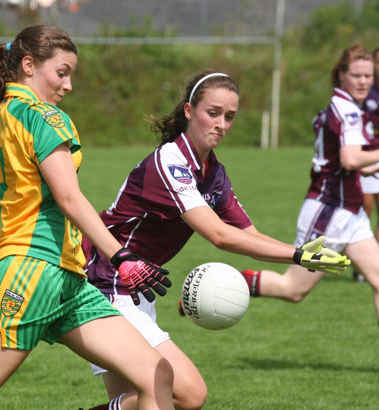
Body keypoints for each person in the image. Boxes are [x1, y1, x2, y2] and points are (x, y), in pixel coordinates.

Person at [0, 24, 175, 410]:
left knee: (158, 375)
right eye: (62, 72)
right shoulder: (46, 118)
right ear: (29, 65)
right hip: (33, 270)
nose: (69, 85)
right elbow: (69, 199)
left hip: (68, 281)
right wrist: (122, 258)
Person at [81, 70, 351, 409]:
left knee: (133, 401)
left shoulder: (213, 173)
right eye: (213, 112)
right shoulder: (171, 162)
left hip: (137, 288)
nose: (221, 123)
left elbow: (247, 234)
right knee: (188, 394)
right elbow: (219, 235)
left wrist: (300, 255)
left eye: (230, 116)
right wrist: (296, 255)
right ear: (189, 111)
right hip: (106, 282)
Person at [241, 44, 379, 318]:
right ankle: (221, 284)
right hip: (328, 213)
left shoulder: (344, 107)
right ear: (341, 75)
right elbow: (350, 159)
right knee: (292, 288)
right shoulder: (348, 112)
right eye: (356, 75)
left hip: (350, 213)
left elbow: (346, 165)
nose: (363, 81)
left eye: (368, 75)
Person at [353, 46, 379, 282]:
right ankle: (359, 259)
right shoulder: (364, 94)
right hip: (366, 157)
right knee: (365, 209)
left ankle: (373, 262)